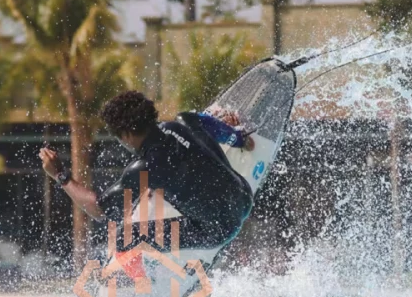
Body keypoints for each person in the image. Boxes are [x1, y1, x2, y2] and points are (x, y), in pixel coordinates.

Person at [39, 90, 256, 251]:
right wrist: (237, 138)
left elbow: (99, 209)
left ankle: (155, 282)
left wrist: (60, 175)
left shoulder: (142, 170)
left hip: (218, 231)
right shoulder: (179, 125)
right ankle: (236, 136)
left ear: (125, 135)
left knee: (126, 236)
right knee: (194, 123)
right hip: (244, 196)